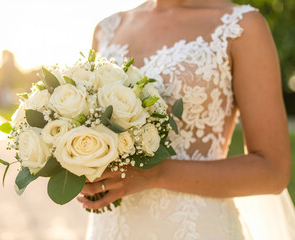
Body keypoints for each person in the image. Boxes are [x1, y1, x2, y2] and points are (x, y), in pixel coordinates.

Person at [77, 0, 295, 239]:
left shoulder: (241, 25)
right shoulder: (107, 29)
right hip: (111, 229)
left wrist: (154, 174)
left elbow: (272, 172)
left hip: (194, 227)